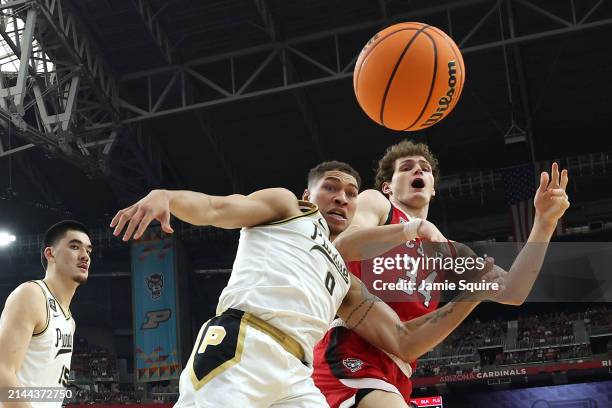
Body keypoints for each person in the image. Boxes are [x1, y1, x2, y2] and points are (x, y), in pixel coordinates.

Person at [111, 161, 504, 408]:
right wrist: (168, 197)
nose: (343, 198)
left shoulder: (344, 275)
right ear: (308, 195)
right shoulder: (287, 209)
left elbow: (402, 340)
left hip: (297, 372)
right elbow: (217, 208)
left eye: (351, 193)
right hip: (245, 344)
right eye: (331, 187)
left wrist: (474, 294)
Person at [312, 141, 570, 408]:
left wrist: (544, 223)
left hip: (400, 367)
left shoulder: (450, 251)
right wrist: (414, 228)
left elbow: (513, 291)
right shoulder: (377, 204)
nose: (418, 172)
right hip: (351, 348)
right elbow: (344, 246)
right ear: (388, 186)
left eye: (425, 169)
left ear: (433, 188)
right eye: (407, 168)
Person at [0, 220, 92, 407]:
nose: (85, 256)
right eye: (75, 247)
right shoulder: (32, 295)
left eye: (88, 251)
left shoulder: (69, 321)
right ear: (51, 254)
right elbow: (2, 371)